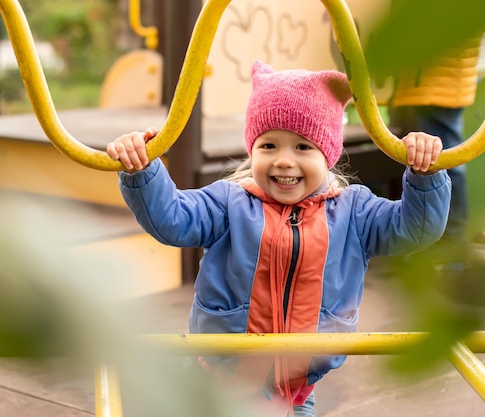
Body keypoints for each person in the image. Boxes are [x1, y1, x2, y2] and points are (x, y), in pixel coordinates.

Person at [106, 61, 451, 417]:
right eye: (269, 145)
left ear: (327, 153)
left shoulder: (354, 213)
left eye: (303, 147)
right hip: (216, 384)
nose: (284, 161)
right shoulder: (229, 203)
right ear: (252, 150)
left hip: (295, 392)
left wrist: (426, 176)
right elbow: (172, 220)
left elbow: (416, 229)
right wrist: (143, 171)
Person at [388, 38, 481, 268]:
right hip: (416, 83)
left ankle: (450, 244)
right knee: (411, 159)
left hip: (437, 82)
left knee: (441, 162)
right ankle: (422, 242)